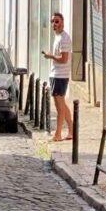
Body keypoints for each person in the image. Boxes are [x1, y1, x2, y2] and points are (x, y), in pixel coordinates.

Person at [42, 12, 74, 142]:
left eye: (57, 21)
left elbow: (64, 59)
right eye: (52, 22)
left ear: (63, 22)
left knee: (59, 106)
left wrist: (50, 56)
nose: (54, 24)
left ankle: (58, 134)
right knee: (63, 105)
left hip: (60, 75)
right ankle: (71, 131)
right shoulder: (58, 37)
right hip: (57, 74)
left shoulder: (64, 38)